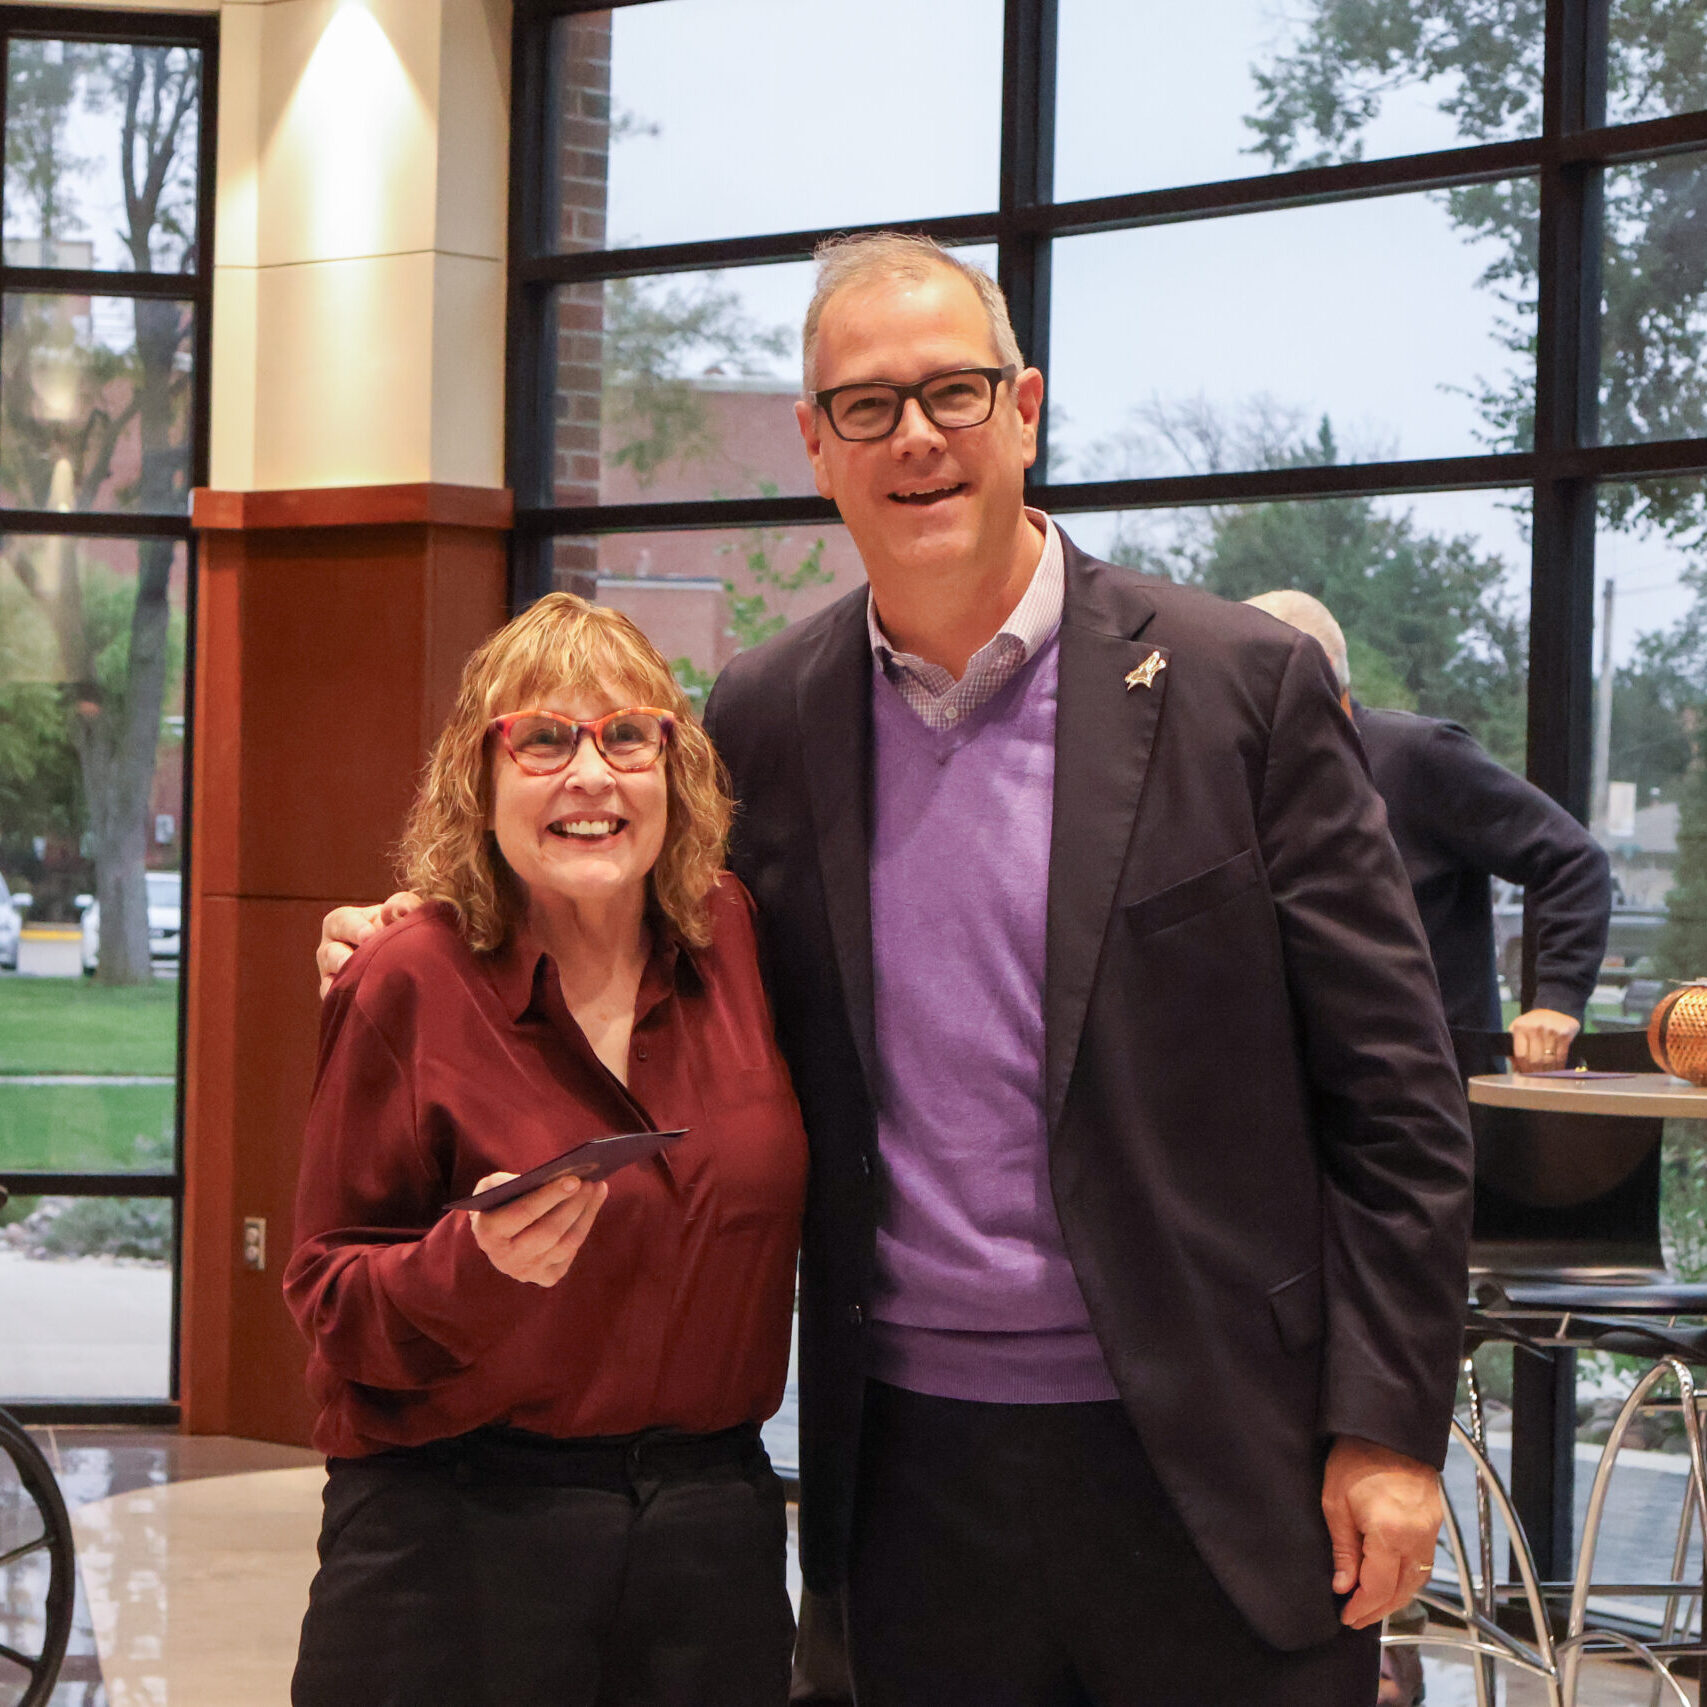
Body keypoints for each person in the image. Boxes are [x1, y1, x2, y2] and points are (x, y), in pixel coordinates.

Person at [320, 236, 1473, 1706]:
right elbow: (629, 907)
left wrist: (1381, 1427)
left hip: (1214, 1454)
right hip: (908, 1474)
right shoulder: (767, 715)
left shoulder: (1235, 687)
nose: (914, 435)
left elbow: (1395, 1098)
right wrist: (420, 919)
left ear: (1025, 409)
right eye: (865, 405)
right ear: (814, 442)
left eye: (952, 391)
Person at [287, 594, 806, 1707]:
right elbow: (324, 1289)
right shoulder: (407, 978)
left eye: (627, 736)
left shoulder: (740, 943)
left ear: (677, 770)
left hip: (711, 1547)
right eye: (544, 739)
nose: (591, 774)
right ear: (479, 781)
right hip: (454, 1542)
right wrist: (469, 1269)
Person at [1245, 589, 1611, 1074]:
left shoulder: (1416, 756)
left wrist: (1557, 999)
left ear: (1322, 669)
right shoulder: (1253, 777)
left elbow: (1572, 859)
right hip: (1305, 1083)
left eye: (1258, 675)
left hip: (1430, 1080)